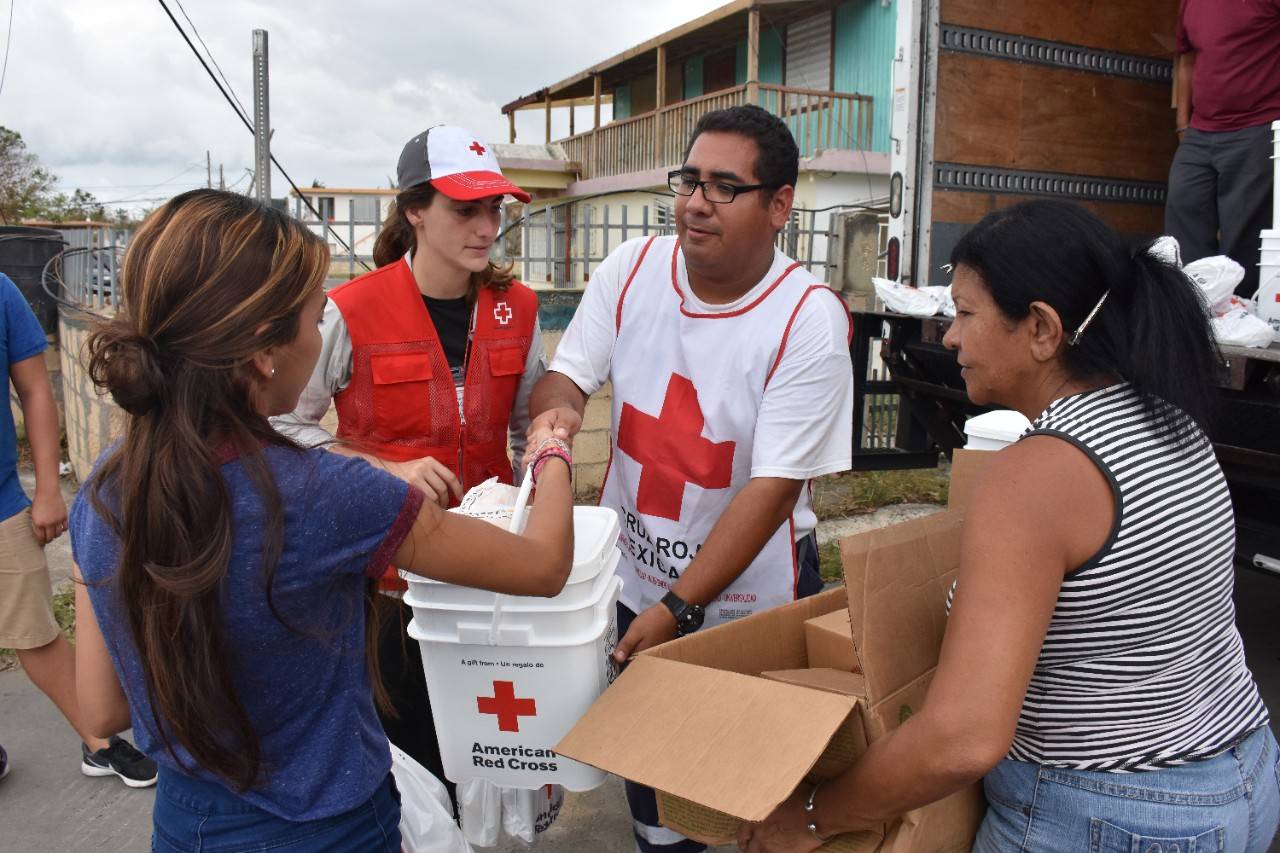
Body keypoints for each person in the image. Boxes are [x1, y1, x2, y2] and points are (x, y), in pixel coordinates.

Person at [739, 200, 1280, 853]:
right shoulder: (1170, 421)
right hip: (1243, 779)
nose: (948, 337)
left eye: (965, 313)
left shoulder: (1038, 475)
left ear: (1043, 329)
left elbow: (963, 735)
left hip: (1108, 814)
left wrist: (816, 812)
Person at [70, 189, 575, 851]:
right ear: (261, 350)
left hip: (187, 824)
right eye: (314, 318)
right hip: (329, 828)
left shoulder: (105, 488)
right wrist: (553, 449)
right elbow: (542, 565)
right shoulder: (326, 495)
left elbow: (103, 708)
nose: (322, 335)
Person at [526, 104, 854, 853]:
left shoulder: (806, 317)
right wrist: (557, 421)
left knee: (744, 797)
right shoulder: (632, 268)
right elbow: (567, 378)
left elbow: (773, 489)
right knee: (659, 797)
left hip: (747, 597)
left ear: (780, 205)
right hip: (635, 578)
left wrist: (680, 606)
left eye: (724, 187)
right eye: (689, 181)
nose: (696, 202)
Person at [271, 125, 543, 797]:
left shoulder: (520, 307)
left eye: (494, 209)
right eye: (465, 209)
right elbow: (282, 423)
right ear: (414, 211)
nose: (485, 227)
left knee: (492, 755)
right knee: (412, 767)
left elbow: (527, 426)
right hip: (389, 583)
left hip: (489, 572)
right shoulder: (346, 311)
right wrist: (382, 470)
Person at [0, 270, 155, 788]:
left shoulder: (1, 290)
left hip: (0, 504)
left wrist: (48, 487)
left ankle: (100, 743)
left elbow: (36, 389)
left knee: (35, 631)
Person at [1165, 0, 1280, 297]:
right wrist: (1182, 124)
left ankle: (1239, 316)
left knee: (1244, 236)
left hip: (1257, 126)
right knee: (1183, 219)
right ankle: (1191, 312)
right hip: (1200, 132)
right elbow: (1187, 61)